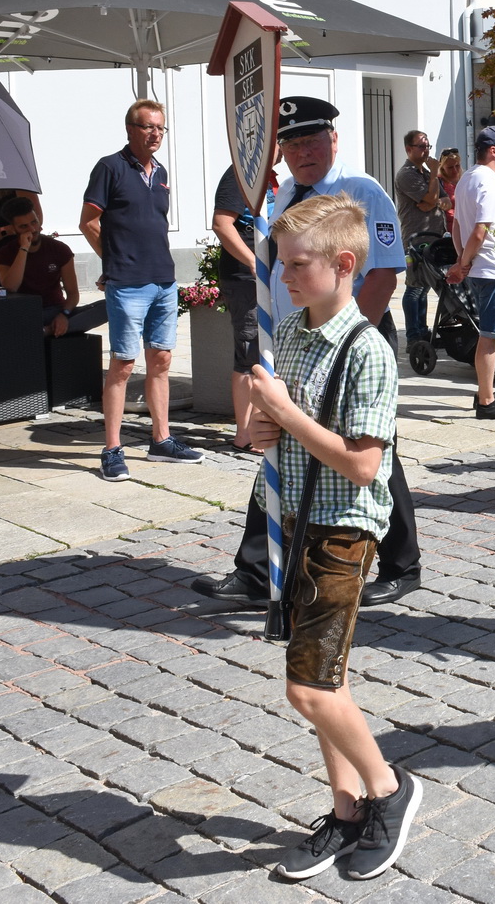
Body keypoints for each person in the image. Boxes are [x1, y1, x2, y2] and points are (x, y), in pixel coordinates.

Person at [244, 195, 421, 884]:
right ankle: (346, 810)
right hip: (293, 520)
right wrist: (259, 424)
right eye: (281, 263)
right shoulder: (287, 332)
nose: (284, 275)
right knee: (330, 680)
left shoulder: (367, 350)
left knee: (309, 689)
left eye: (297, 264)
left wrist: (286, 414)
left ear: (344, 264)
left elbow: (364, 463)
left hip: (343, 529)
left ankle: (388, 790)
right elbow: (261, 430)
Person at [192, 97, 422, 611]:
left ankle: (402, 566)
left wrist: (345, 339)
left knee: (373, 451)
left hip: (351, 339)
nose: (302, 152)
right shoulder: (285, 195)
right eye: (291, 143)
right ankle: (256, 570)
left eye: (311, 141)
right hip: (297, 339)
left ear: (333, 139)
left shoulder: (361, 190)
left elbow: (383, 274)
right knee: (281, 438)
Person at [79, 100, 204, 481]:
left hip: (164, 280)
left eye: (161, 128)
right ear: (130, 129)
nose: (156, 134)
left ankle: (161, 440)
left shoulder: (161, 172)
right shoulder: (110, 167)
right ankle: (112, 449)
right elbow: (89, 222)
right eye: (148, 127)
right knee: (123, 364)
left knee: (161, 361)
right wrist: (113, 262)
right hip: (127, 284)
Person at [446, 127, 495, 420]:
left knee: (492, 334)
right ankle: (487, 400)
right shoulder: (489, 182)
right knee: (491, 336)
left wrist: (462, 260)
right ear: (494, 150)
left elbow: (457, 225)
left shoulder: (467, 177)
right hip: (493, 268)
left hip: (483, 267)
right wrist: (463, 263)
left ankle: (487, 392)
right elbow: (480, 230)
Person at [212, 166, 278, 452]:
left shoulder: (271, 176)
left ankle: (259, 426)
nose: (281, 147)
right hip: (245, 278)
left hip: (269, 274)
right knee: (249, 352)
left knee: (264, 351)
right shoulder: (241, 173)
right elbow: (221, 224)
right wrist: (253, 262)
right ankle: (245, 434)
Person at [0, 197, 108, 338]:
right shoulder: (5, 254)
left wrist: (63, 314)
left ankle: (47, 331)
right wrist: (23, 249)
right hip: (25, 313)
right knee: (5, 322)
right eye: (24, 226)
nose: (32, 229)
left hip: (56, 310)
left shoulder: (59, 249)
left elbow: (73, 294)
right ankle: (47, 330)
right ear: (13, 229)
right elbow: (11, 286)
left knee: (110, 306)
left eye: (34, 222)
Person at [392, 130, 446, 347]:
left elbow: (444, 200)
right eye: (421, 147)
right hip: (416, 238)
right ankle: (413, 335)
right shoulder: (406, 174)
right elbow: (431, 198)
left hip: (434, 236)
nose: (426, 151)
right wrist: (434, 181)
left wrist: (433, 200)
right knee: (415, 286)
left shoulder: (425, 173)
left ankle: (422, 331)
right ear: (408, 149)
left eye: (428, 146)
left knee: (425, 286)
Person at [437, 148, 463, 237]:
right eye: (450, 167)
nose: (455, 170)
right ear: (442, 167)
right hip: (448, 232)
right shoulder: (439, 182)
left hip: (465, 229)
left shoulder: (464, 180)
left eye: (457, 166)